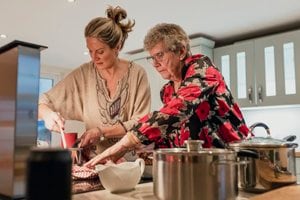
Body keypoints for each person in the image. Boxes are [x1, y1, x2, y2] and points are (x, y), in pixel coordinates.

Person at [84, 23, 250, 167]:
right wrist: (149, 147)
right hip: (197, 169)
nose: (155, 64)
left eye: (160, 55)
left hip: (234, 164)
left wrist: (127, 142)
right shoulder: (168, 91)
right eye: (152, 57)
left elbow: (181, 107)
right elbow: (172, 132)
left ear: (181, 51)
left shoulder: (203, 69)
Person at [38, 6, 151, 155]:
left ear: (117, 47)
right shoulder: (84, 74)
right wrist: (47, 115)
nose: (94, 57)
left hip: (130, 163)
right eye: (90, 51)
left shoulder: (137, 74)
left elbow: (141, 122)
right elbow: (42, 102)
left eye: (100, 51)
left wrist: (101, 131)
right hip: (93, 162)